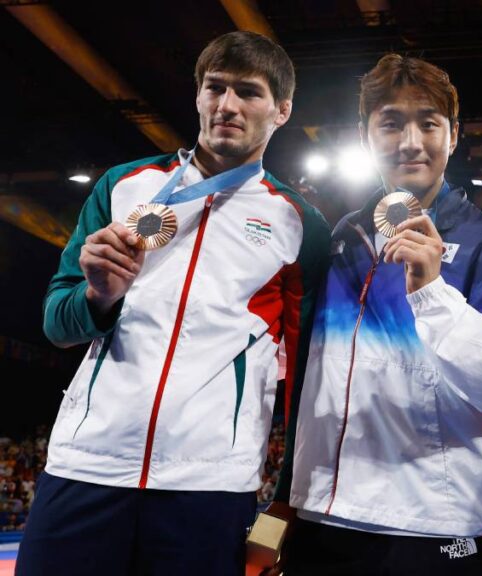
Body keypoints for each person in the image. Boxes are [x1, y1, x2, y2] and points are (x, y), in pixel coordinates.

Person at [18, 31, 329, 576]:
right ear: (197, 95)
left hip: (208, 486)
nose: (227, 106)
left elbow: (306, 383)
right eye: (215, 88)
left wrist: (283, 511)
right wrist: (98, 295)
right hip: (85, 467)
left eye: (248, 93)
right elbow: (56, 325)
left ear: (282, 110)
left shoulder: (299, 224)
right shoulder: (123, 186)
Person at [267, 54, 482, 576]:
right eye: (390, 123)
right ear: (366, 136)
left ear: (454, 135)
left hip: (430, 526)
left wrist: (432, 293)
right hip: (324, 517)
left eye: (428, 123)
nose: (410, 141)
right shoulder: (345, 234)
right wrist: (291, 498)